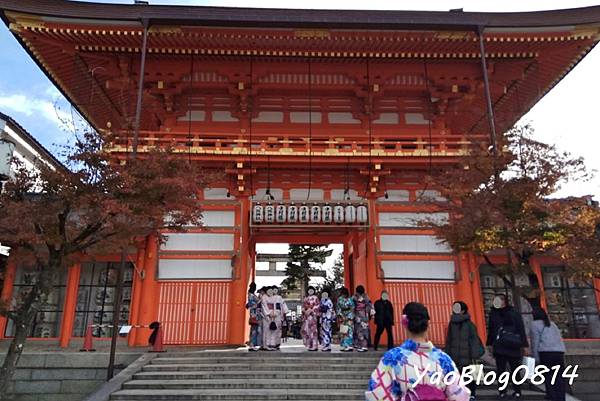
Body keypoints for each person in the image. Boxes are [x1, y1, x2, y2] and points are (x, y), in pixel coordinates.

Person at [365, 302, 471, 401]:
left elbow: (376, 394)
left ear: (404, 323)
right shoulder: (444, 360)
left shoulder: (392, 358)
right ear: (428, 324)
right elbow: (461, 395)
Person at [486, 294, 528, 400]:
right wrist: (489, 343)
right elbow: (491, 330)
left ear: (504, 301)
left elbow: (520, 328)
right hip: (499, 345)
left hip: (512, 344)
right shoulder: (493, 313)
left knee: (515, 369)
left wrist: (524, 345)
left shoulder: (514, 313)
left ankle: (517, 390)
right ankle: (502, 391)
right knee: (501, 370)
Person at [445, 301, 484, 401]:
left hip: (468, 355)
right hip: (455, 354)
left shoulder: (469, 324)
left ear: (463, 310)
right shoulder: (452, 324)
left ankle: (472, 394)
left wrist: (474, 355)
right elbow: (449, 340)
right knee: (458, 378)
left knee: (469, 377)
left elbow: (474, 340)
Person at [530, 307, 567, 401]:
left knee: (547, 375)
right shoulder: (552, 324)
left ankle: (551, 395)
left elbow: (535, 342)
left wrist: (535, 357)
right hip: (558, 352)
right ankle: (561, 397)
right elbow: (559, 338)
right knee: (559, 376)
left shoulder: (534, 325)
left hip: (546, 352)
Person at [261, 286, 286, 350]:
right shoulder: (264, 297)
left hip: (275, 316)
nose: (270, 292)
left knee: (274, 331)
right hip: (267, 317)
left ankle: (273, 344)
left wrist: (276, 313)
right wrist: (269, 313)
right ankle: (266, 345)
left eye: (271, 291)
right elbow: (264, 307)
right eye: (268, 291)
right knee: (266, 331)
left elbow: (278, 307)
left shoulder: (276, 297)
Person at [353, 285, 372, 352]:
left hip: (361, 314)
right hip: (363, 314)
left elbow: (369, 306)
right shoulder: (366, 297)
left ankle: (363, 346)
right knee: (359, 331)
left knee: (362, 331)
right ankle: (361, 345)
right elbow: (370, 305)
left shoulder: (355, 297)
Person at [301, 286, 321, 351]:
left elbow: (317, 306)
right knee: (307, 331)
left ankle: (314, 345)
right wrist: (305, 311)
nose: (310, 291)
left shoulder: (316, 298)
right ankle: (309, 345)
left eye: (312, 290)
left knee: (313, 331)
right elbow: (303, 307)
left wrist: (311, 310)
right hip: (307, 317)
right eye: (309, 290)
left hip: (313, 316)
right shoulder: (305, 299)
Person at [336, 287, 355, 352]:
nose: (344, 295)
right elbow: (338, 308)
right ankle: (344, 345)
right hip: (342, 316)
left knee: (349, 331)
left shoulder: (350, 299)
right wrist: (341, 316)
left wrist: (349, 316)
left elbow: (352, 308)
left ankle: (349, 346)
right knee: (344, 331)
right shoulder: (339, 299)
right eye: (343, 294)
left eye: (345, 293)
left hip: (349, 316)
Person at [245, 282, 261, 351]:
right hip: (254, 314)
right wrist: (259, 302)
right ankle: (252, 344)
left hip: (254, 314)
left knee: (254, 329)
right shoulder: (251, 295)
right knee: (254, 330)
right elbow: (252, 304)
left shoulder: (251, 295)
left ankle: (252, 344)